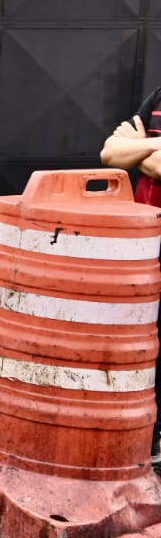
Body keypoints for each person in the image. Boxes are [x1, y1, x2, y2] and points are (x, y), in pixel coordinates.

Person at [100, 96, 161, 467]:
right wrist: (152, 146)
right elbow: (110, 154)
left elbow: (151, 165)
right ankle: (143, 431)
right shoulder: (158, 97)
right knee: (140, 334)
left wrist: (139, 147)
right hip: (145, 238)